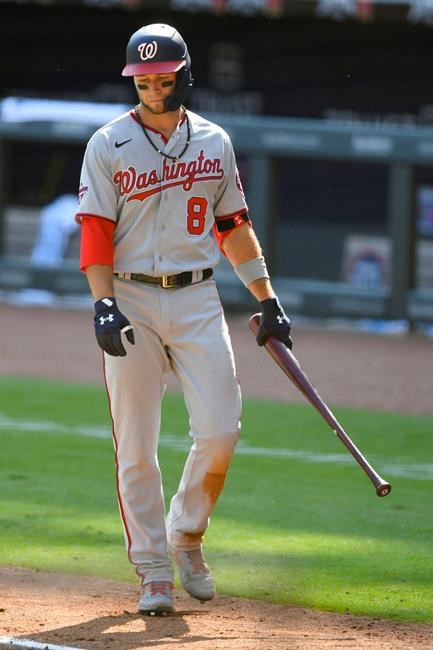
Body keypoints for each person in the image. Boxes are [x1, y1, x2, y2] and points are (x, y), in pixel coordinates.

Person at [75, 23, 292, 616]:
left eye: (161, 75)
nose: (150, 85)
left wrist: (266, 298)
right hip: (131, 296)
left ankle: (187, 534)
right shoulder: (108, 143)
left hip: (198, 299)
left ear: (184, 76)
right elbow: (95, 231)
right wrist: (102, 303)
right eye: (141, 77)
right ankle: (151, 570)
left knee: (221, 427)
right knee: (136, 444)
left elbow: (233, 227)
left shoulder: (214, 142)